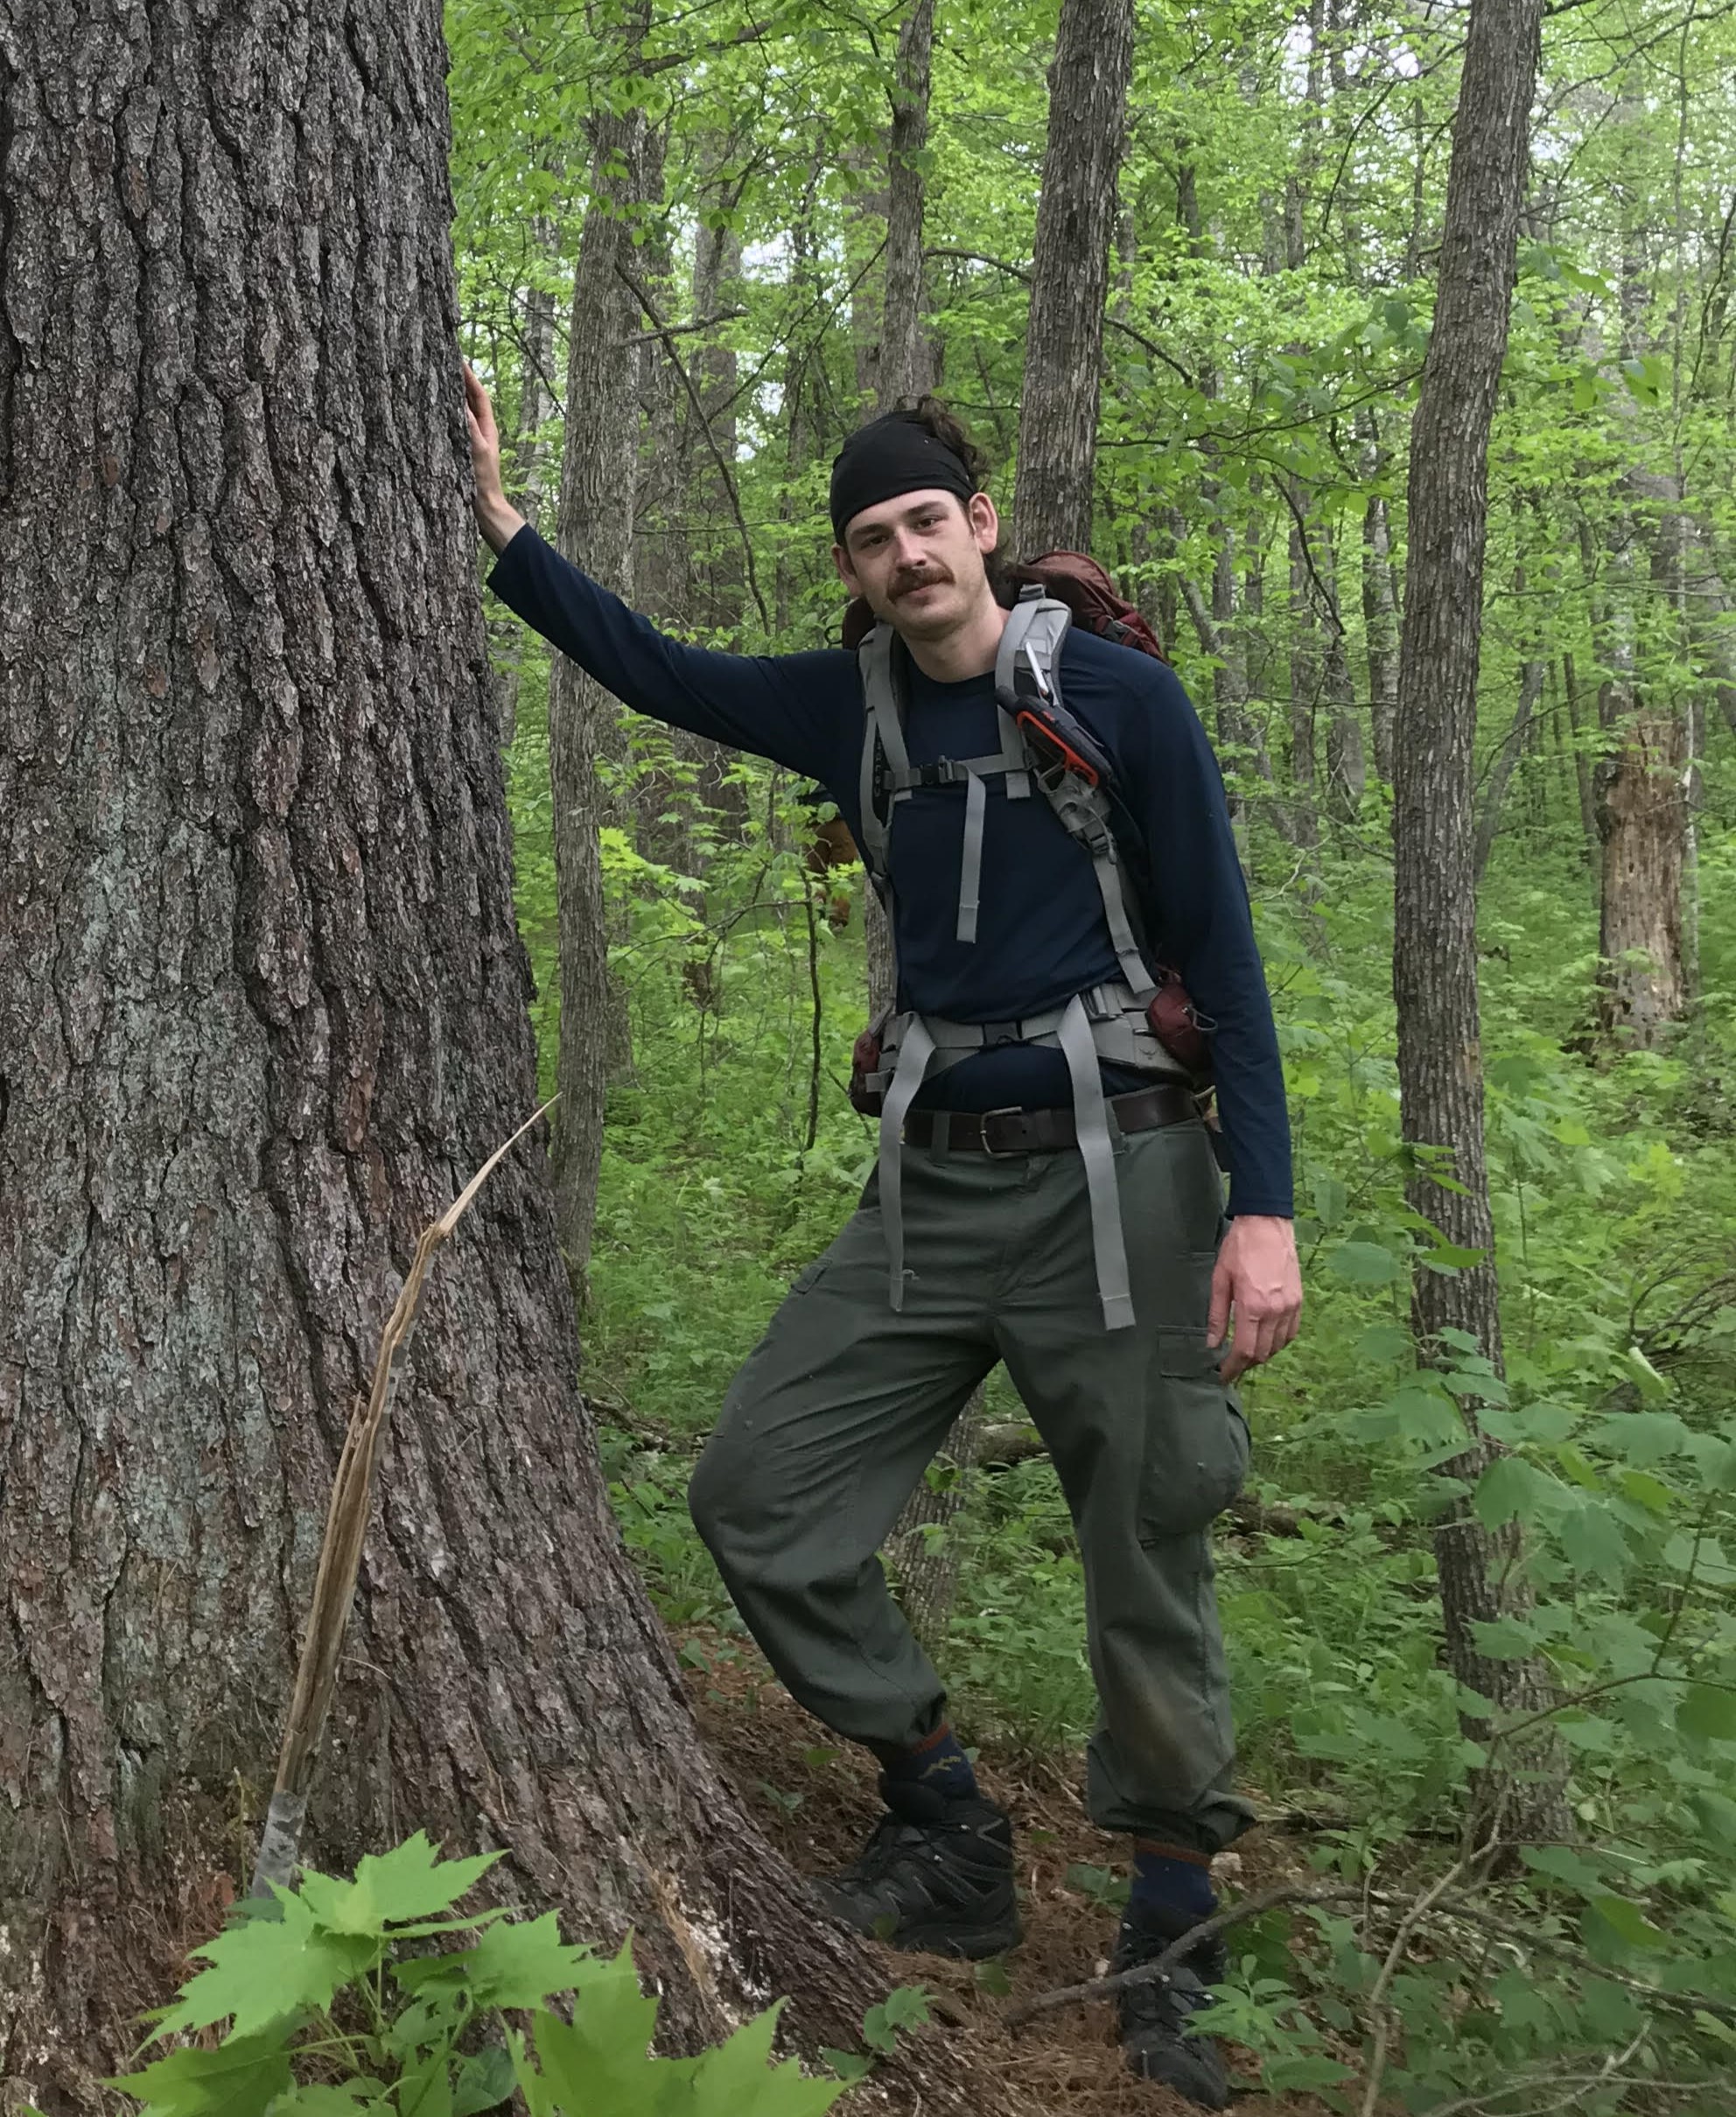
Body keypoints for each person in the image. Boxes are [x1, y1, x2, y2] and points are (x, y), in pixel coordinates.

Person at [463, 368, 1302, 2109]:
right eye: (873, 536)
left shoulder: (1124, 701)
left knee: (1147, 1546)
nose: (908, 554)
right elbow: (651, 667)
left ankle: (1169, 1930)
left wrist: (1266, 1214)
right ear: (848, 569)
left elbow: (1224, 958)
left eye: (929, 519)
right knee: (758, 1490)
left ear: (981, 525)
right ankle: (947, 1822)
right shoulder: (844, 711)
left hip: (1122, 1175)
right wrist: (499, 520)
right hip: (928, 1183)